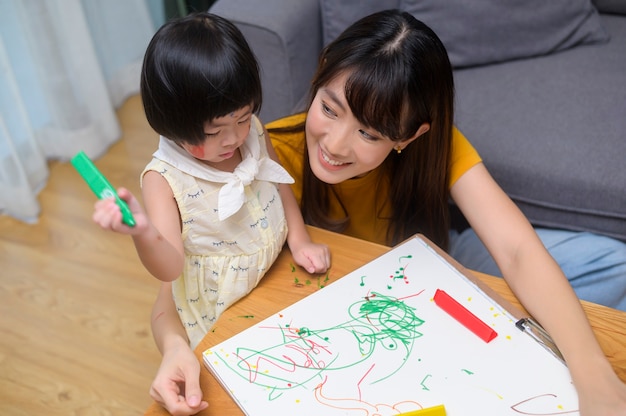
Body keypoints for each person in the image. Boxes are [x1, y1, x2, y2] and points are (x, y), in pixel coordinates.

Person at [149, 9, 626, 416]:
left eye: (370, 134)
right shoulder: (266, 155)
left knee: (609, 261)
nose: (334, 145)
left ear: (410, 136)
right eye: (329, 109)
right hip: (348, 321)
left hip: (437, 272)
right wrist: (174, 347)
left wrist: (592, 375)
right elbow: (176, 294)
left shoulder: (436, 148)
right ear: (317, 81)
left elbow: (517, 248)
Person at [91, 12, 330, 415]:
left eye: (242, 116)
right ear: (173, 125)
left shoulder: (251, 129)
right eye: (215, 131)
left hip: (274, 275)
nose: (235, 137)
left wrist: (300, 238)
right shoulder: (165, 179)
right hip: (220, 309)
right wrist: (143, 231)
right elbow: (169, 269)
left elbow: (277, 183)